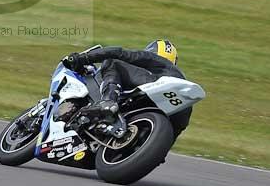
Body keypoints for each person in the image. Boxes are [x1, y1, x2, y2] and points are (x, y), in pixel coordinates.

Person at [62, 40, 192, 138]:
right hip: (171, 113)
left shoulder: (153, 61)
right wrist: (160, 151)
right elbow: (179, 127)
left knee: (113, 61)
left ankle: (108, 101)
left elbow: (119, 52)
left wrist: (84, 58)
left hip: (152, 91)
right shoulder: (178, 79)